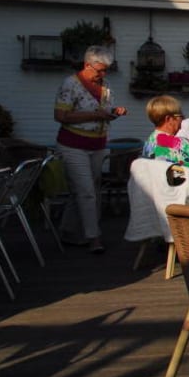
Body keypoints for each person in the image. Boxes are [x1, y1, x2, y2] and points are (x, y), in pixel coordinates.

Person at [53, 45, 128, 253]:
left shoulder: (105, 86)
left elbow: (105, 111)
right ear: (87, 65)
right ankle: (94, 238)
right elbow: (61, 116)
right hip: (73, 145)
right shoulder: (71, 84)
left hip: (97, 144)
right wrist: (97, 116)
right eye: (99, 70)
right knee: (86, 192)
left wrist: (115, 111)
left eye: (105, 70)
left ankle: (68, 232)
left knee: (88, 189)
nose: (103, 74)